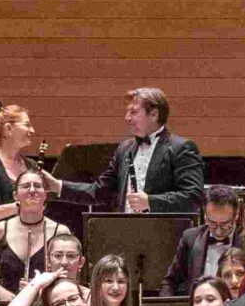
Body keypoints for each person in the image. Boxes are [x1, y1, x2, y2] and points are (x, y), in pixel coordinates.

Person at [66, 88, 205, 214]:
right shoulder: (124, 149)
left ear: (154, 114)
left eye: (133, 112)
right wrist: (57, 186)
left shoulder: (181, 148)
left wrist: (150, 202)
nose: (127, 118)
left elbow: (194, 197)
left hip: (164, 235)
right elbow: (99, 192)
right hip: (126, 233)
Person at [0, 172, 74, 306]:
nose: (32, 190)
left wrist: (38, 288)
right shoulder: (2, 229)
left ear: (45, 194)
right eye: (26, 186)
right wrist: (2, 293)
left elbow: (69, 275)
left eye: (38, 186)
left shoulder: (61, 231)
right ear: (15, 195)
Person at [166, 189, 243, 296]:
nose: (218, 230)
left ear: (236, 216)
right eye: (212, 223)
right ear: (205, 215)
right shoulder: (190, 238)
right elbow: (170, 282)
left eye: (225, 224)